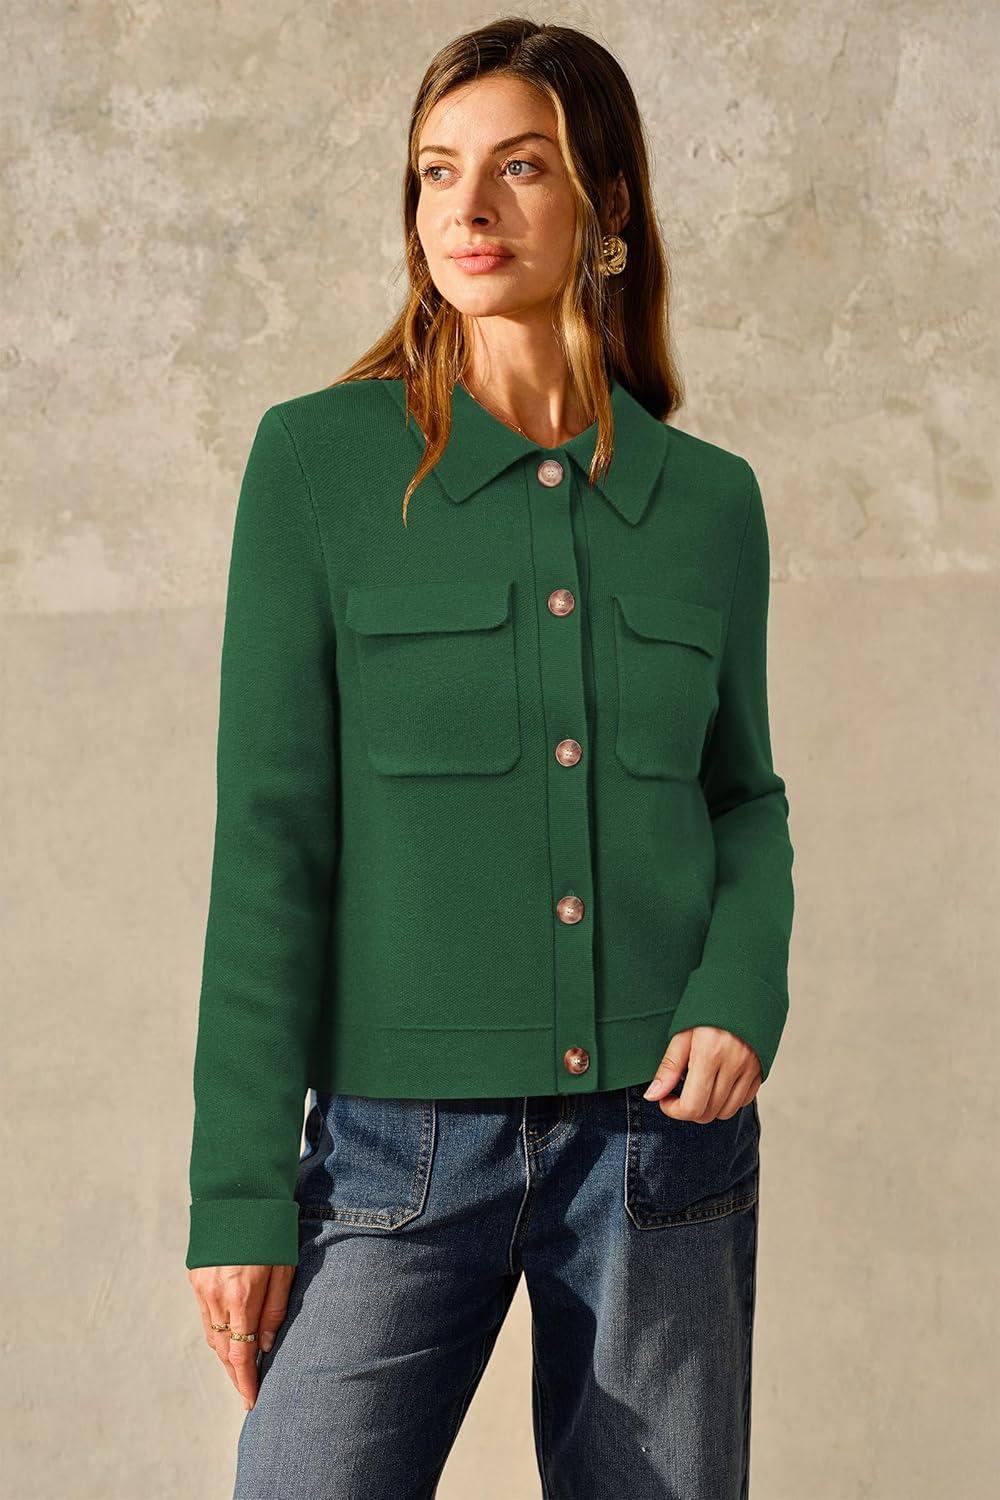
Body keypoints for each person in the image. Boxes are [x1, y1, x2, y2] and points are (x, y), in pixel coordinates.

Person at [185, 16, 795, 1499]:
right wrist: (238, 1194)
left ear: (606, 204)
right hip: (395, 1151)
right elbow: (270, 841)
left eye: (521, 167)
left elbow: (742, 800)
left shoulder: (709, 503)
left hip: (660, 1141)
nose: (466, 208)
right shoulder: (318, 467)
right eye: (436, 171)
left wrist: (739, 993)